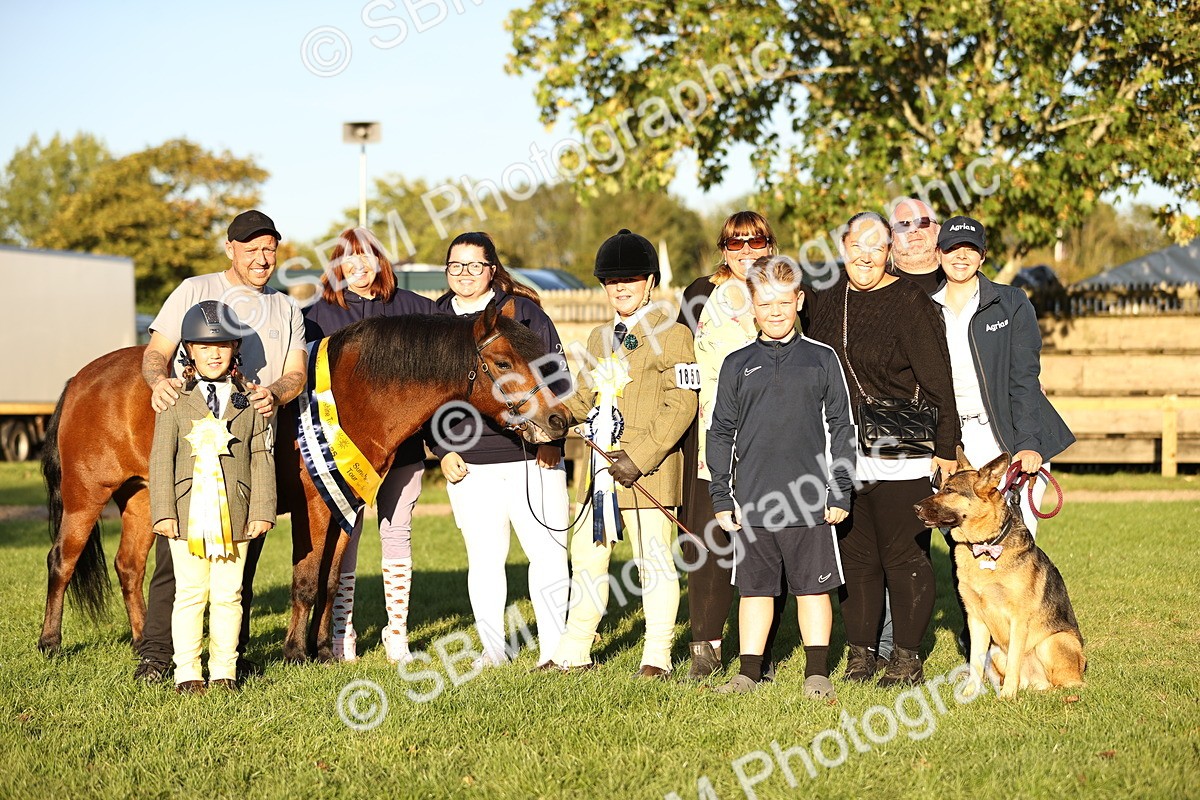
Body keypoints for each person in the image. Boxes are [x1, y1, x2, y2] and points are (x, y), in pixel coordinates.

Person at [136, 209, 307, 683]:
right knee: (177, 564)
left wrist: (274, 393)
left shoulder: (286, 307)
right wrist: (159, 383)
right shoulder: (193, 289)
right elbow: (156, 353)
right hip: (193, 447)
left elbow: (296, 371)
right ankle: (157, 654)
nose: (262, 257)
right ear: (230, 248)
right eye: (251, 248)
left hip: (252, 440)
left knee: (241, 561)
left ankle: (230, 656)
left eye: (269, 248)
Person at [805, 212, 959, 686]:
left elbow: (939, 383)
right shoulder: (824, 301)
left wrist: (947, 447)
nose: (866, 256)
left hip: (902, 448)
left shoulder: (912, 302)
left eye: (876, 246)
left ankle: (907, 657)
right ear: (844, 247)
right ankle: (861, 655)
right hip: (843, 450)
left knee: (904, 556)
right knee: (857, 557)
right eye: (857, 246)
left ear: (889, 250)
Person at [539, 229, 698, 679]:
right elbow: (584, 395)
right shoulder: (597, 337)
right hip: (603, 468)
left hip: (651, 467)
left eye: (630, 279)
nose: (620, 288)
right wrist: (552, 417)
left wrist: (641, 456)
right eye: (612, 281)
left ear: (650, 282)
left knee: (655, 560)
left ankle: (657, 655)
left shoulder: (674, 334)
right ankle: (575, 649)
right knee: (588, 555)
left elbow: (681, 402)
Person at [707, 256, 855, 698]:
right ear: (751, 304)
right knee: (754, 591)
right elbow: (721, 433)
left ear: (799, 301)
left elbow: (841, 428)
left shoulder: (822, 359)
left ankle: (817, 674)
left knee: (812, 591)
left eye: (784, 302)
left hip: (810, 501)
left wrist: (840, 489)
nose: (775, 311)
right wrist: (722, 495)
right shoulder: (736, 364)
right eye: (765, 302)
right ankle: (748, 673)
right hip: (753, 501)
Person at [431, 231, 571, 668]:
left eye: (475, 265)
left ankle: (554, 652)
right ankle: (493, 652)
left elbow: (559, 378)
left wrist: (552, 440)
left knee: (547, 555)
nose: (465, 274)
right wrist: (440, 448)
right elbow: (423, 393)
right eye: (456, 265)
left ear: (492, 269)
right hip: (469, 464)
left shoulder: (521, 312)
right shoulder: (435, 319)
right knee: (485, 561)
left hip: (532, 458)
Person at [303, 227, 438, 663]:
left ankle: (396, 632)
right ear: (336, 267)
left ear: (382, 261)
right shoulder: (316, 315)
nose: (358, 267)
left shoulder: (415, 309)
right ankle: (342, 632)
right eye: (348, 259)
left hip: (405, 450)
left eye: (367, 257)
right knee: (348, 537)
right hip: (340, 457)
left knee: (397, 534)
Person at [676, 211, 788, 680]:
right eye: (735, 244)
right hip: (710, 439)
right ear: (723, 249)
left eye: (755, 242)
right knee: (710, 543)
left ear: (770, 245)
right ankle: (706, 645)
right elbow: (682, 366)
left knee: (767, 544)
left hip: (773, 440)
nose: (746, 251)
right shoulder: (699, 294)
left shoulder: (784, 289)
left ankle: (758, 652)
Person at [149, 301, 275, 693]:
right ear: (188, 349)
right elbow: (159, 458)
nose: (214, 353)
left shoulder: (251, 402)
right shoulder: (173, 401)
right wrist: (162, 512)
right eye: (205, 347)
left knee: (229, 595)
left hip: (234, 514)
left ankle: (225, 670)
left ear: (236, 349)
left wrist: (263, 509)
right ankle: (186, 672)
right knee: (188, 594)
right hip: (185, 515)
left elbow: (260, 456)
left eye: (223, 345)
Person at [931, 216, 1075, 536]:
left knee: (1013, 540)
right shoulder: (924, 308)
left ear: (983, 256)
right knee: (961, 540)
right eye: (954, 247)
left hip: (1005, 433)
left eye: (971, 249)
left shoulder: (1010, 302)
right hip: (951, 437)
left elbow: (1024, 378)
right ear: (939, 253)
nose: (962, 256)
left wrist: (1027, 444)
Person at [890, 198, 944, 294]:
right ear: (891, 236)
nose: (913, 230)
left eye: (922, 222)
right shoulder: (875, 285)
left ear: (938, 230)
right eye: (902, 226)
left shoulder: (961, 279)